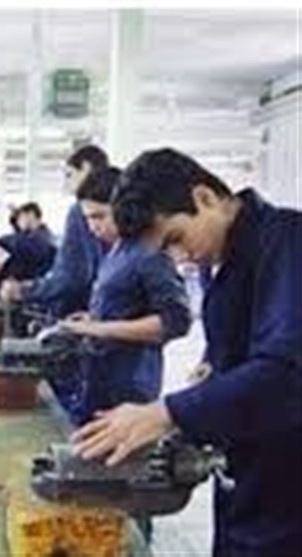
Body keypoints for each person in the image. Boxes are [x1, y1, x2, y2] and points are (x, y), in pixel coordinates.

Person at [71, 148, 302, 556]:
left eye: (176, 239)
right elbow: (243, 348)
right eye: (167, 252)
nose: (179, 259)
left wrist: (167, 413)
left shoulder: (288, 242)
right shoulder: (223, 257)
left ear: (204, 198)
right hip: (248, 472)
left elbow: (287, 372)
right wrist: (212, 369)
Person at [60, 166, 192, 424]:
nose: (92, 226)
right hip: (102, 378)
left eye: (99, 216)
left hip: (129, 387)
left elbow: (177, 320)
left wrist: (100, 329)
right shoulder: (117, 251)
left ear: (125, 208)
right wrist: (92, 319)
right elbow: (126, 307)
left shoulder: (150, 253)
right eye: (88, 218)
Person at [1, 145, 109, 317]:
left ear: (86, 168)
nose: (67, 184)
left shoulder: (80, 212)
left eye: (69, 175)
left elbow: (72, 276)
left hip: (82, 312)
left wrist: (25, 291)